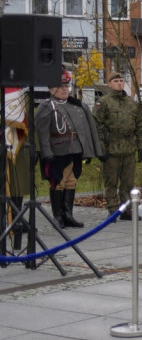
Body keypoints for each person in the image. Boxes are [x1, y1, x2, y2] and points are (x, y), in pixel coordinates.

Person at [34, 71, 104, 229]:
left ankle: (68, 215)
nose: (65, 89)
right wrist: (46, 152)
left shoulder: (76, 105)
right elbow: (41, 133)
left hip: (75, 148)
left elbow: (86, 129)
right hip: (57, 150)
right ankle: (58, 216)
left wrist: (90, 149)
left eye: (66, 86)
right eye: (61, 86)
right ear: (52, 90)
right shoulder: (47, 106)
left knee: (71, 181)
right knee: (58, 182)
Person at [93, 73, 142, 220]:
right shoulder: (103, 102)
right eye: (116, 81)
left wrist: (141, 146)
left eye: (121, 81)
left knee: (128, 182)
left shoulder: (131, 103)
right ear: (109, 84)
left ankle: (127, 209)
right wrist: (100, 147)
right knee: (111, 182)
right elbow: (97, 125)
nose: (119, 83)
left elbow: (139, 126)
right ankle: (113, 210)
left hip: (128, 148)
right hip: (111, 148)